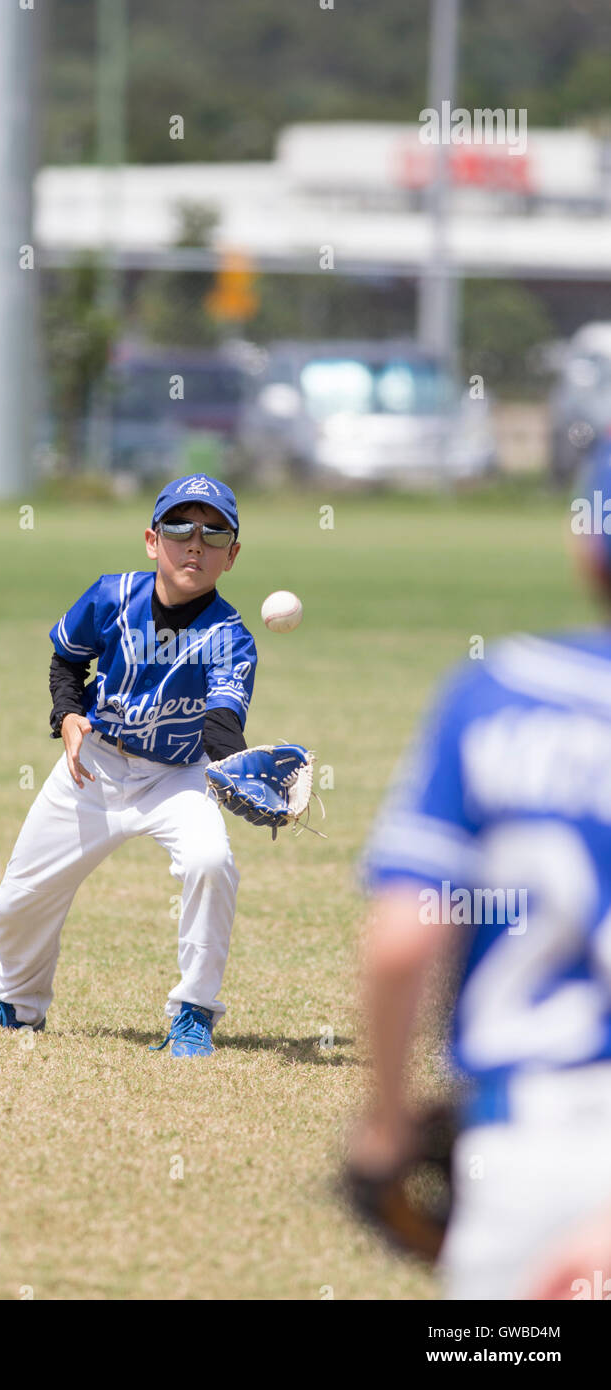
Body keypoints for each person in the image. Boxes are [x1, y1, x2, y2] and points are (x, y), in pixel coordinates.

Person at [350, 440, 611, 1299]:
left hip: (518, 1147)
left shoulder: (496, 693)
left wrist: (386, 1128)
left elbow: (398, 945)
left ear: (585, 546)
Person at [0, 473, 257, 1058]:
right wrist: (66, 715)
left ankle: (193, 1013)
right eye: (180, 527)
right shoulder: (111, 597)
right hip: (96, 766)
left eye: (214, 534)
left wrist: (237, 772)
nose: (195, 543)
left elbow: (220, 725)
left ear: (231, 555)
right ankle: (17, 1007)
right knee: (15, 900)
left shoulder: (230, 637)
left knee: (211, 862)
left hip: (177, 777)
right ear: (151, 539)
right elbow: (67, 661)